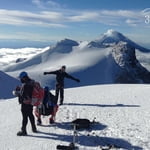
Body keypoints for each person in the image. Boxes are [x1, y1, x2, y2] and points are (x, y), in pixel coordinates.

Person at [17, 71, 37, 136]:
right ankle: (34, 128)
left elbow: (24, 95)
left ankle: (23, 131)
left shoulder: (26, 85)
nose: (20, 79)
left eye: (21, 78)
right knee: (30, 115)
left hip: (25, 103)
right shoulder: (31, 82)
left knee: (25, 117)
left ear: (24, 78)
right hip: (30, 102)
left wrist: (17, 93)